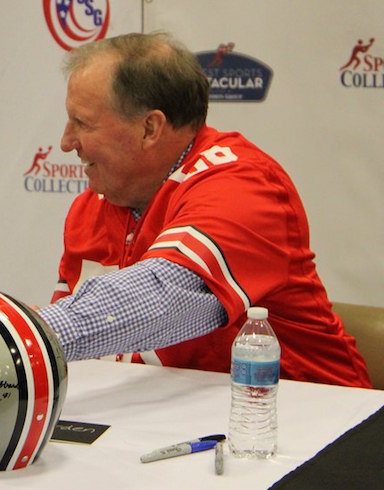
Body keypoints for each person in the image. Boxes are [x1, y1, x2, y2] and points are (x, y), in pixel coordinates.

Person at [35, 32, 371, 388]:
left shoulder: (244, 184)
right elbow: (82, 353)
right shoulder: (93, 204)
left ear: (150, 128)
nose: (66, 142)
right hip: (175, 414)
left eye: (82, 123)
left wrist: (21, 336)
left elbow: (166, 299)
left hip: (310, 420)